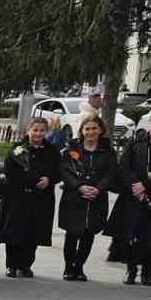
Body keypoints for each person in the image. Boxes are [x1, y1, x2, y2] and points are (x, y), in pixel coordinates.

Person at [59, 113, 118, 282]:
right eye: (87, 129)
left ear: (100, 130)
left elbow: (111, 172)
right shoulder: (72, 149)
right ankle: (69, 268)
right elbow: (65, 170)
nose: (90, 132)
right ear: (82, 131)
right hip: (74, 197)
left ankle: (79, 267)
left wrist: (99, 188)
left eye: (94, 128)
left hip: (96, 198)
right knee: (72, 233)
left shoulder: (107, 150)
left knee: (88, 234)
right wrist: (79, 186)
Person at [0, 115, 60, 279]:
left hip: (41, 198)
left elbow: (58, 170)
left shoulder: (51, 150)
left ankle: (25, 265)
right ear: (29, 130)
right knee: (14, 232)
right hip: (18, 197)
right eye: (35, 130)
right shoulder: (18, 148)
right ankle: (11, 265)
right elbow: (9, 171)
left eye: (42, 131)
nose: (38, 134)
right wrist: (29, 181)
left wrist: (50, 179)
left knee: (33, 233)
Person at [111, 124, 151, 285]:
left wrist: (147, 187)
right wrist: (136, 184)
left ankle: (146, 272)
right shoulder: (136, 140)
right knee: (130, 236)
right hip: (133, 196)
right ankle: (131, 270)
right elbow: (124, 166)